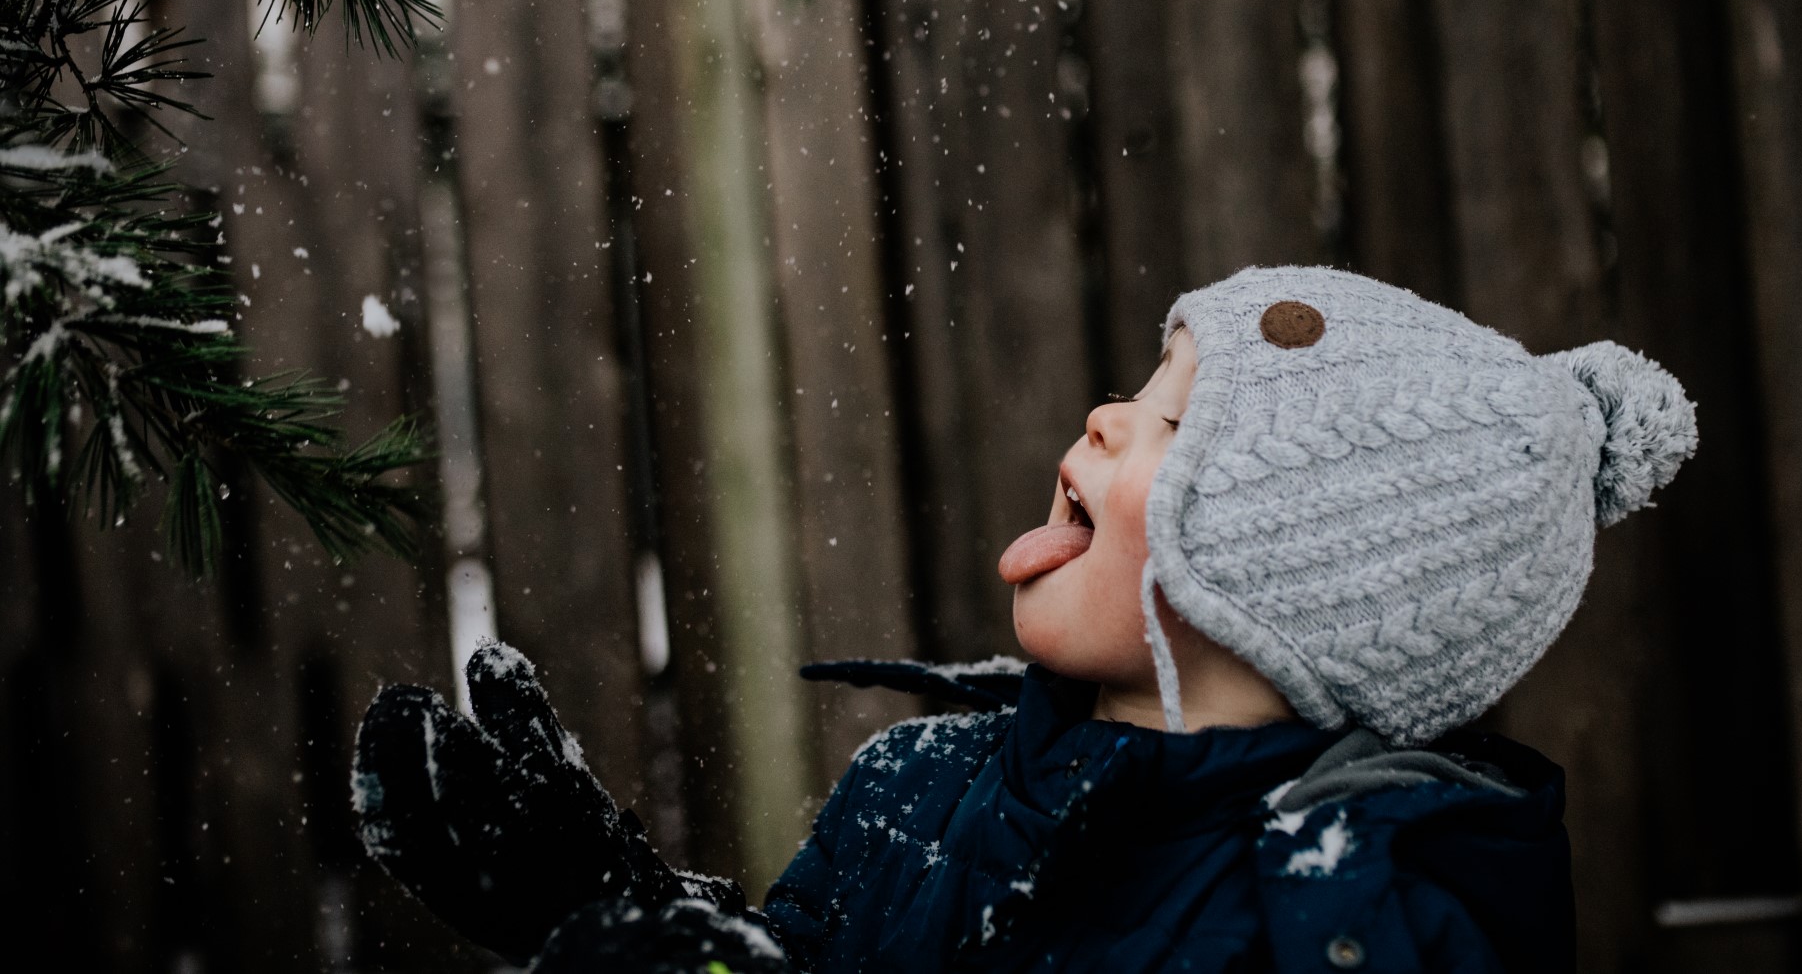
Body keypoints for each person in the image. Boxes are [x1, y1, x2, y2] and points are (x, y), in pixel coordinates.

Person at [353, 265, 1698, 972]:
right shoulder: (919, 783)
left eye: (1175, 422)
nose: (1106, 414)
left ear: (1298, 574)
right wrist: (622, 908)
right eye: (1135, 386)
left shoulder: (1343, 920)